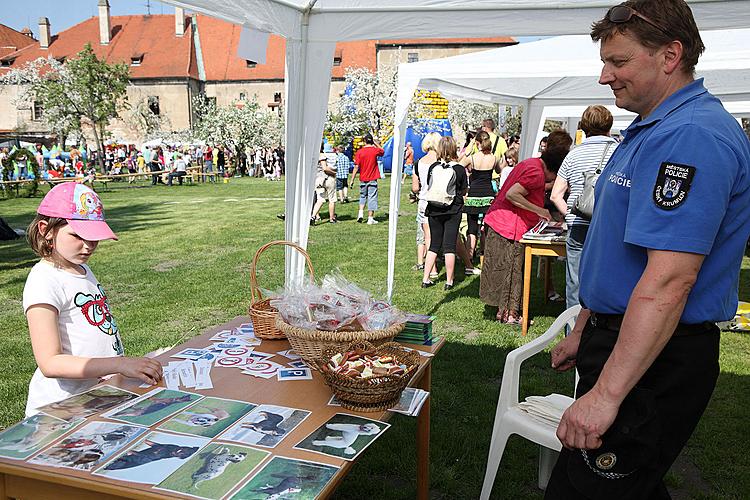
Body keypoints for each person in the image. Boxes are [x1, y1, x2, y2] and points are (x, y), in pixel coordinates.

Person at [545, 2, 750, 498]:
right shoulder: (654, 126)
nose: (604, 76)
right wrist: (585, 325)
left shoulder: (690, 136)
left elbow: (668, 282)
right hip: (623, 340)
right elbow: (621, 248)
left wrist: (607, 395)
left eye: (618, 62)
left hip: (656, 354)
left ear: (670, 56)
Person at [22, 183, 163, 416]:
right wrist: (120, 364)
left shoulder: (81, 269)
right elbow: (50, 362)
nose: (88, 246)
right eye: (78, 235)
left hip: (95, 397)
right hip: (59, 410)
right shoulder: (43, 281)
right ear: (46, 230)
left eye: (95, 237)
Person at [479, 142, 567, 324]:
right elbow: (513, 194)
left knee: (505, 271)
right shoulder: (536, 172)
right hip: (510, 225)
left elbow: (530, 187)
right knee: (513, 271)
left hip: (501, 222)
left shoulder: (531, 164)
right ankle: (511, 315)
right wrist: (539, 210)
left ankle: (503, 312)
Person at [550, 105, 618, 310]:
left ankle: (573, 333)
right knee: (609, 281)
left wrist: (570, 214)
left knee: (575, 283)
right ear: (609, 125)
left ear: (584, 127)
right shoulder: (620, 152)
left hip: (579, 225)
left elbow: (555, 195)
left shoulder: (573, 155)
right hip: (610, 225)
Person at [421, 136, 468, 290]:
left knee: (434, 245)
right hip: (452, 210)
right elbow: (463, 190)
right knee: (449, 246)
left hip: (434, 208)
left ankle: (426, 278)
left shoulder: (433, 167)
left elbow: (429, 185)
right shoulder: (459, 169)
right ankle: (449, 281)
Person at [459, 130, 499, 263]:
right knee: (486, 227)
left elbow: (458, 167)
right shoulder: (494, 158)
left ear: (477, 143)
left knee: (472, 227)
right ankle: (486, 253)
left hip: (474, 196)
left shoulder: (472, 158)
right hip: (488, 195)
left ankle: (470, 255)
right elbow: (499, 170)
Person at [413, 132, 441, 274]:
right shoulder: (442, 162)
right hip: (441, 201)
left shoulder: (418, 163)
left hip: (424, 201)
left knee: (428, 236)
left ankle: (433, 268)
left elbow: (415, 188)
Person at [351, 134, 384, 224]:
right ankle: (370, 218)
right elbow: (382, 151)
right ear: (371, 141)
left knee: (362, 196)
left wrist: (352, 180)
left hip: (363, 178)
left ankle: (360, 214)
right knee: (372, 197)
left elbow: (356, 167)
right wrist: (375, 143)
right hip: (372, 178)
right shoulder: (375, 150)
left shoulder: (360, 152)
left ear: (365, 141)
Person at [311, 144, 338, 224]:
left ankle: (312, 217)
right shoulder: (321, 155)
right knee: (332, 199)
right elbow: (325, 169)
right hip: (327, 179)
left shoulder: (312, 156)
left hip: (318, 179)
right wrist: (334, 173)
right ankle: (332, 218)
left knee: (320, 200)